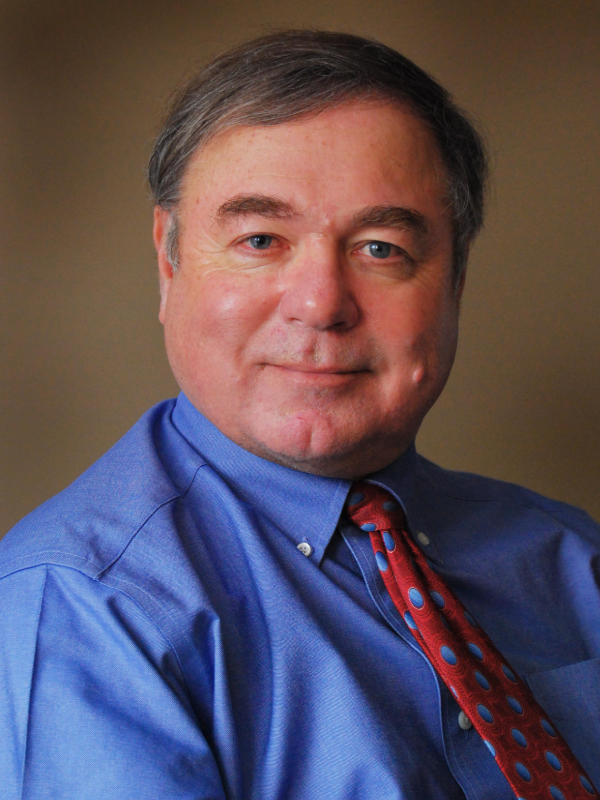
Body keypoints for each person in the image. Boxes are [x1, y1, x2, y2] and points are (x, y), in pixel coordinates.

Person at [0, 29, 598, 800]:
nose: (321, 304)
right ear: (168, 260)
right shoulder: (83, 607)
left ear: (454, 279)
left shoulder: (571, 558)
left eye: (382, 249)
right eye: (260, 239)